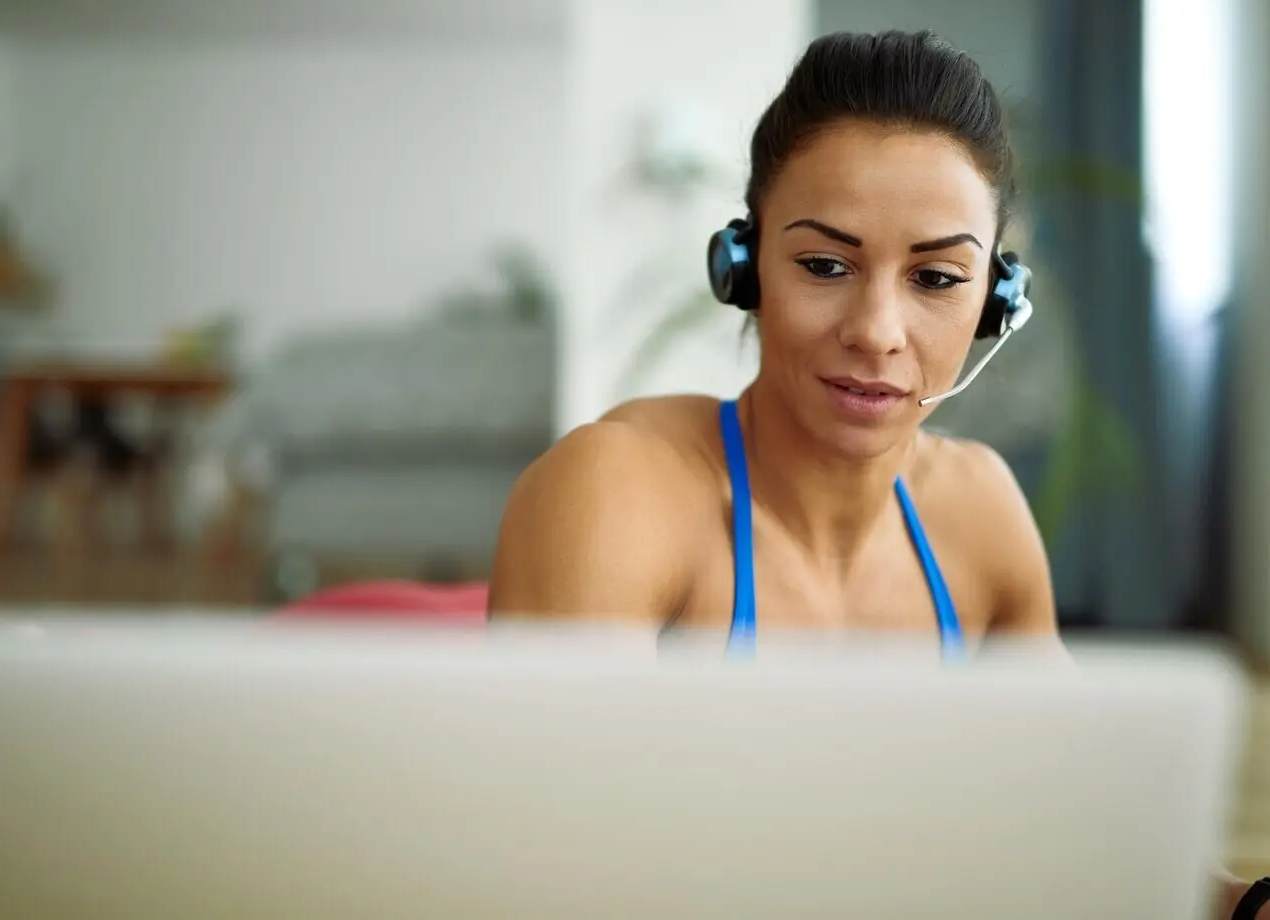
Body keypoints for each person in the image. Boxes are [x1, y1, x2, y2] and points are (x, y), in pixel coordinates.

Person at [487, 29, 1268, 920]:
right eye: (825, 264)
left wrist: (1243, 903)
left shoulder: (979, 515)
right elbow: (554, 868)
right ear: (743, 270)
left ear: (996, 303)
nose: (877, 330)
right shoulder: (617, 494)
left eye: (936, 277)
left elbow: (1081, 818)